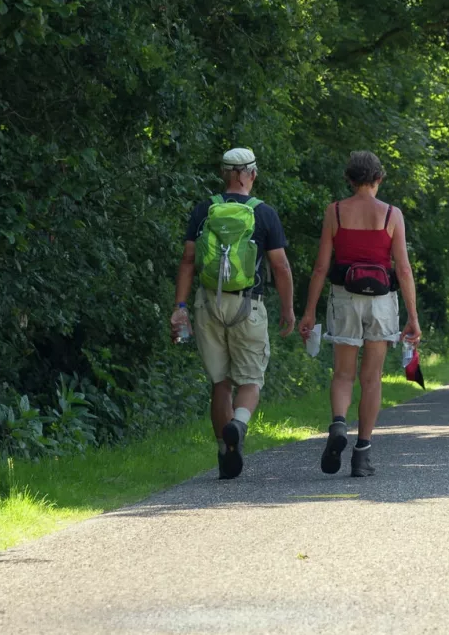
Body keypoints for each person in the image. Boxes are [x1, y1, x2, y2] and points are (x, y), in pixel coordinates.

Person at [171, 147, 296, 480]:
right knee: (251, 380)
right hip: (248, 303)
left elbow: (187, 261)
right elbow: (280, 266)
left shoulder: (203, 210)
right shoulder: (264, 213)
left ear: (225, 174)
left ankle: (226, 452)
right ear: (246, 175)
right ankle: (239, 425)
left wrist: (180, 307)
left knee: (220, 383)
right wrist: (288, 308)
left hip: (207, 303)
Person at [298, 150, 420, 477]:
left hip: (344, 297)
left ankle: (338, 424)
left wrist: (309, 311)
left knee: (342, 374)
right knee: (371, 379)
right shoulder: (392, 214)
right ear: (378, 179)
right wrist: (413, 317)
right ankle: (362, 454)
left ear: (350, 180)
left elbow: (322, 265)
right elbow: (404, 269)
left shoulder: (335, 212)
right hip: (381, 300)